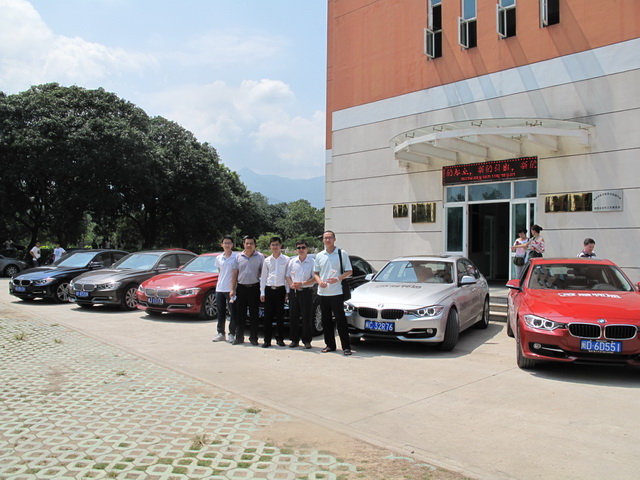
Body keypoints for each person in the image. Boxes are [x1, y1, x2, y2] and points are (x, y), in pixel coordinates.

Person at [313, 230, 353, 356]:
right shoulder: (319, 255)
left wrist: (337, 279)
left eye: (329, 238)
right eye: (325, 238)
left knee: (340, 321)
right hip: (323, 293)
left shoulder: (341, 253)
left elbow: (349, 271)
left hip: (337, 292)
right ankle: (330, 345)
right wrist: (319, 282)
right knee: (326, 321)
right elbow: (316, 273)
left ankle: (346, 347)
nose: (327, 240)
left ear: (334, 239)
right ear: (322, 240)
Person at [232, 235, 264, 346]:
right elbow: (234, 274)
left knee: (254, 314)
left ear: (254, 245)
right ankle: (239, 337)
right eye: (247, 243)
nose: (249, 245)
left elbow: (263, 273)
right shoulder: (238, 257)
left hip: (254, 288)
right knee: (240, 314)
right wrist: (232, 289)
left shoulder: (260, 257)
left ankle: (253, 338)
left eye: (251, 243)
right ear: (244, 244)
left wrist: (262, 290)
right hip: (241, 288)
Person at [260, 237, 290, 348]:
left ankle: (280, 339)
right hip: (269, 290)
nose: (275, 247)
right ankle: (267, 340)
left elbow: (287, 276)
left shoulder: (286, 259)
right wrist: (262, 292)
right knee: (267, 317)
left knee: (280, 316)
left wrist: (287, 291)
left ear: (280, 246)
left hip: (281, 290)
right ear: (270, 246)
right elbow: (263, 277)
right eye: (273, 245)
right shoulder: (267, 260)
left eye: (277, 244)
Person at [286, 240, 316, 349]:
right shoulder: (292, 261)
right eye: (299, 248)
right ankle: (294, 340)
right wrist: (291, 284)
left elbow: (314, 278)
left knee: (306, 317)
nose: (301, 250)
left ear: (307, 249)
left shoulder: (312, 262)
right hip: (294, 292)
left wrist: (302, 284)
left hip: (306, 292)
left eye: (303, 247)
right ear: (296, 250)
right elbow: (287, 276)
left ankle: (307, 340)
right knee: (293, 317)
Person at [212, 236, 238, 343]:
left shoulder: (235, 257)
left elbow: (235, 274)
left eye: (229, 243)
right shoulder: (219, 258)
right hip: (219, 289)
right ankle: (221, 333)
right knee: (220, 312)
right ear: (221, 244)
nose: (227, 245)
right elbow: (220, 271)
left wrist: (232, 289)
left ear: (232, 245)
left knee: (233, 313)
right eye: (225, 243)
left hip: (230, 289)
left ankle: (232, 333)